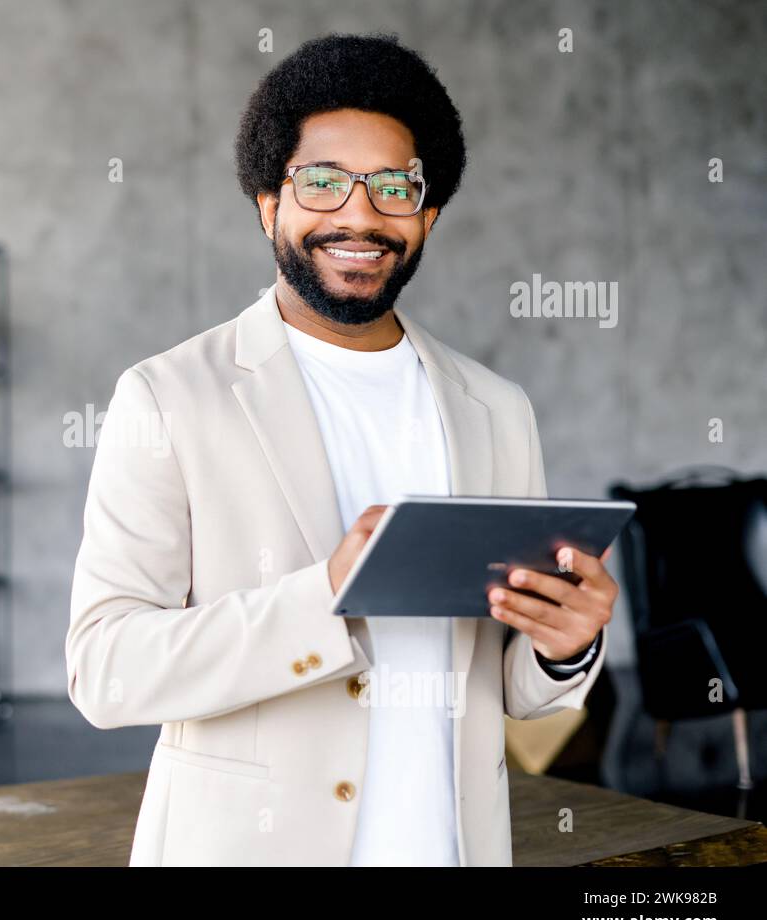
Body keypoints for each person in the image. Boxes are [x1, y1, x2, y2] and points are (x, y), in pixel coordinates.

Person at [65, 33, 618, 866]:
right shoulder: (169, 396)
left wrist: (564, 641)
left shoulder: (497, 411)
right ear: (267, 203)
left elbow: (513, 690)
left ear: (427, 214)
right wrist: (322, 596)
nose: (359, 216)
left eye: (394, 188)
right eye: (321, 182)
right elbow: (106, 669)